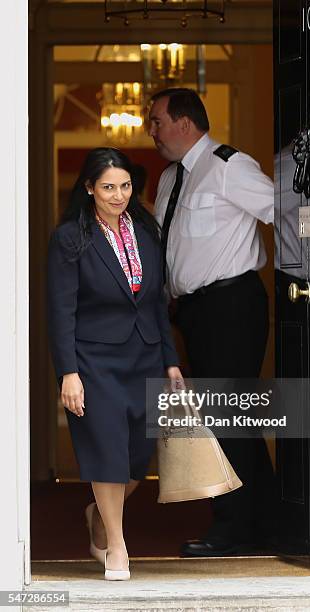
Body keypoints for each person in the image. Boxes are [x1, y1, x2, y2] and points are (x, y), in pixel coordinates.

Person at [149, 88, 276, 556]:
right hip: (191, 311)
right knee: (224, 413)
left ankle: (234, 526)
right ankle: (268, 517)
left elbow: (281, 210)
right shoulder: (168, 179)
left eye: (158, 120)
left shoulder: (229, 166)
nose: (152, 130)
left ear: (185, 122)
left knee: (223, 413)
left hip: (231, 305)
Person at [47, 147, 183, 579]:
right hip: (95, 360)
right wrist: (68, 372)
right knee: (108, 452)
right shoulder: (71, 237)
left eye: (125, 186)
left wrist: (171, 361)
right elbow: (60, 310)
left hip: (143, 355)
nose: (119, 195)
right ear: (89, 188)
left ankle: (97, 514)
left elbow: (157, 303)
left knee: (138, 460)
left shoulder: (146, 231)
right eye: (108, 187)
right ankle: (118, 547)